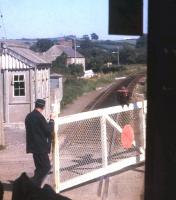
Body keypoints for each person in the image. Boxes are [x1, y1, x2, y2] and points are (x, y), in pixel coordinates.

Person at [25, 99, 54, 187]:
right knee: (46, 167)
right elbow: (48, 131)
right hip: (40, 147)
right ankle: (32, 185)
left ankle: (34, 184)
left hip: (33, 146)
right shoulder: (40, 117)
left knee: (39, 168)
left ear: (35, 105)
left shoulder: (28, 116)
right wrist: (52, 120)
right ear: (43, 107)